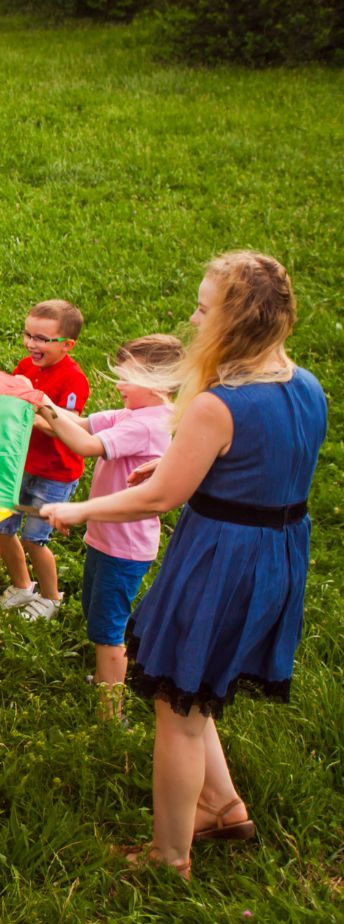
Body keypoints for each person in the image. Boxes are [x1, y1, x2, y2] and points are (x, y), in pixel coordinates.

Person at [42, 252, 326, 879]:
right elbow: (261, 472)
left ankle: (169, 856)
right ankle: (223, 805)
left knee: (177, 716)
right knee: (192, 691)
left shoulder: (216, 404)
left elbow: (157, 498)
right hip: (275, 558)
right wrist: (179, 471)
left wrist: (79, 509)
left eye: (203, 308)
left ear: (233, 322)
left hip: (221, 563)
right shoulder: (305, 385)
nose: (193, 317)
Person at [35, 334, 182, 722]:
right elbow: (81, 423)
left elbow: (83, 445)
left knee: (107, 627)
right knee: (95, 611)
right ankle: (107, 673)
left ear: (161, 383)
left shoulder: (149, 425)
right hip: (106, 538)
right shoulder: (136, 413)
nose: (118, 385)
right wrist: (41, 405)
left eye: (127, 377)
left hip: (124, 546)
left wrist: (45, 409)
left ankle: (110, 714)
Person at [0, 299, 89, 621]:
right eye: (28, 335)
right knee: (2, 529)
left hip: (55, 474)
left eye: (42, 339)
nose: (31, 344)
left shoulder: (73, 379)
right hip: (21, 465)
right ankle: (23, 585)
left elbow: (69, 428)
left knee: (35, 538)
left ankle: (51, 597)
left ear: (67, 345)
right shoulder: (25, 367)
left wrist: (31, 415)